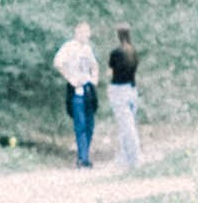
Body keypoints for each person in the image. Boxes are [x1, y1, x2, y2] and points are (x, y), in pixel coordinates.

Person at [51, 20, 99, 169]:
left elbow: (94, 65)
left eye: (88, 32)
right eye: (84, 31)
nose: (87, 35)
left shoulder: (88, 49)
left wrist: (94, 80)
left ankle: (85, 154)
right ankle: (82, 158)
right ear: (77, 32)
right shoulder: (69, 47)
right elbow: (57, 63)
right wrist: (70, 78)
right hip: (76, 90)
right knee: (81, 123)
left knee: (90, 124)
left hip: (88, 89)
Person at [106, 24, 142, 171]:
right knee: (129, 124)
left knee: (126, 127)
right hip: (132, 90)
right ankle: (124, 158)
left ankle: (134, 159)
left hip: (118, 90)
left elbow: (110, 72)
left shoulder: (116, 53)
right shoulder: (134, 52)